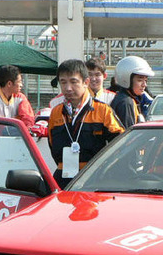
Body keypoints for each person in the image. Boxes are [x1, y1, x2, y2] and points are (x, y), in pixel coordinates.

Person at [47, 59, 125, 189]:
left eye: (73, 82)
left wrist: (103, 171)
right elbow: (53, 148)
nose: (68, 88)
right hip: (63, 179)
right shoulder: (56, 112)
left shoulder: (103, 110)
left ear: (86, 82)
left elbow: (121, 145)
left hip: (95, 180)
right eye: (63, 82)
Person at [110, 55, 155, 128]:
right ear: (127, 80)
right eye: (140, 80)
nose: (144, 85)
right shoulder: (126, 103)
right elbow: (128, 134)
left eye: (145, 80)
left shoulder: (127, 99)